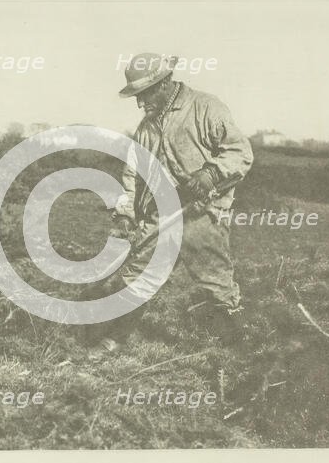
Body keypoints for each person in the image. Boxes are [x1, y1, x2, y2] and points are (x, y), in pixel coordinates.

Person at [85, 53, 253, 350]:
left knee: (216, 284)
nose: (140, 103)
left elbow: (240, 152)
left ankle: (241, 350)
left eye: (144, 94)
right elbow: (133, 175)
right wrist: (126, 212)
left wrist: (211, 173)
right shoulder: (146, 128)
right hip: (160, 215)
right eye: (137, 96)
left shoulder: (205, 108)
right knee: (140, 277)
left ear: (164, 84)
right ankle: (113, 340)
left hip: (202, 213)